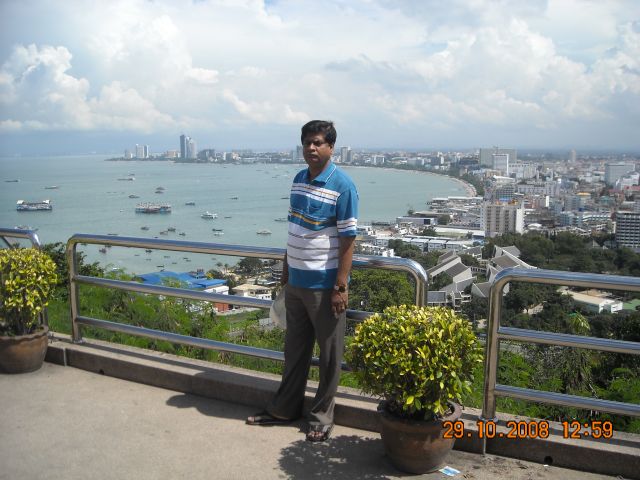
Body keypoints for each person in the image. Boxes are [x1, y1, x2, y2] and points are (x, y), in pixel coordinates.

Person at [246, 120, 358, 443]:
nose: (311, 148)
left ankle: (322, 417)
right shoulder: (298, 180)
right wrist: (285, 272)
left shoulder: (343, 186)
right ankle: (284, 409)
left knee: (329, 357)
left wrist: (340, 286)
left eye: (318, 142)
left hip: (324, 286)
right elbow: (294, 229)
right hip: (295, 282)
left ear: (331, 147)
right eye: (307, 142)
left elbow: (348, 239)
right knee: (294, 351)